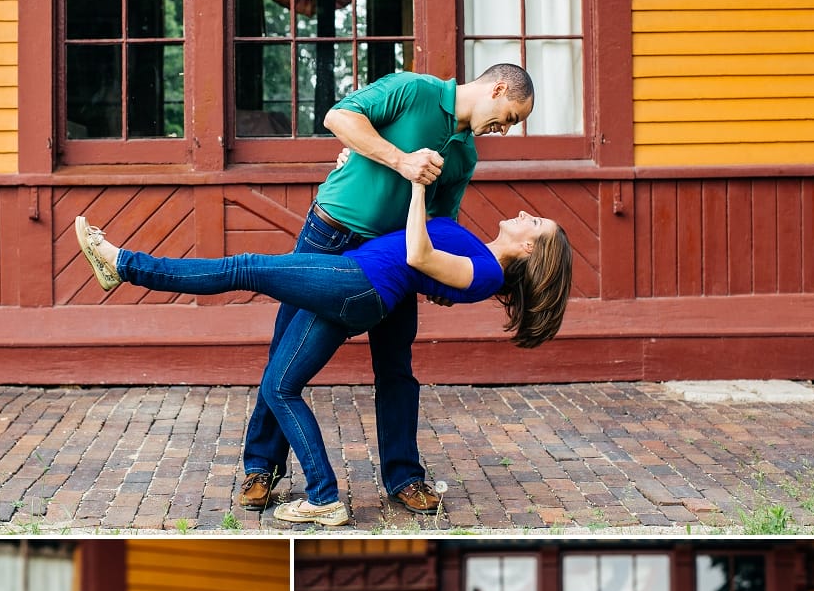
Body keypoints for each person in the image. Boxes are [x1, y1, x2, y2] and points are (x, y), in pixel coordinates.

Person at [76, 173, 571, 525]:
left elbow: (418, 252)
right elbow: (422, 254)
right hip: (355, 284)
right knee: (280, 384)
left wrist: (417, 180)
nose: (526, 214)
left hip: (354, 282)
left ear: (531, 250)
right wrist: (353, 177)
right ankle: (324, 497)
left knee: (245, 267)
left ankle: (123, 265)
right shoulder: (480, 257)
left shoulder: (487, 271)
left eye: (536, 223)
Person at [236, 63, 537, 516]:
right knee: (285, 350)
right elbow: (339, 117)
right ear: (497, 89)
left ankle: (405, 476)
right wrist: (399, 159)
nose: (507, 129)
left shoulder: (466, 156)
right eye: (511, 116)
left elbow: (440, 221)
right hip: (331, 234)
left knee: (396, 368)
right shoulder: (413, 89)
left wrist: (440, 277)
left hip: (391, 266)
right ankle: (262, 467)